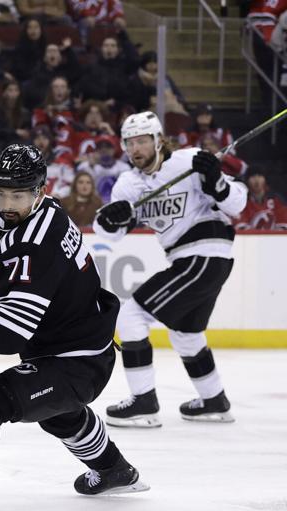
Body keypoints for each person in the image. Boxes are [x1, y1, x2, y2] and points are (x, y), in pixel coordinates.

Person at [0, 143, 147, 511]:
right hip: (72, 348)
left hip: (77, 362)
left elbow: (10, 331)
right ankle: (115, 470)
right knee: (59, 414)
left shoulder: (36, 243)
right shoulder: (36, 214)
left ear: (40, 192)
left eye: (17, 194)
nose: (7, 203)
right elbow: (6, 261)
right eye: (0, 193)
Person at [92, 112, 246, 427]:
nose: (136, 148)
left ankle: (144, 402)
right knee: (186, 334)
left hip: (205, 253)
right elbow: (111, 233)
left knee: (131, 314)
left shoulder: (189, 161)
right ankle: (214, 400)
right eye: (130, 142)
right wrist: (109, 219)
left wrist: (216, 183)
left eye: (143, 140)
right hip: (195, 261)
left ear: (159, 140)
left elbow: (237, 203)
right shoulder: (130, 184)